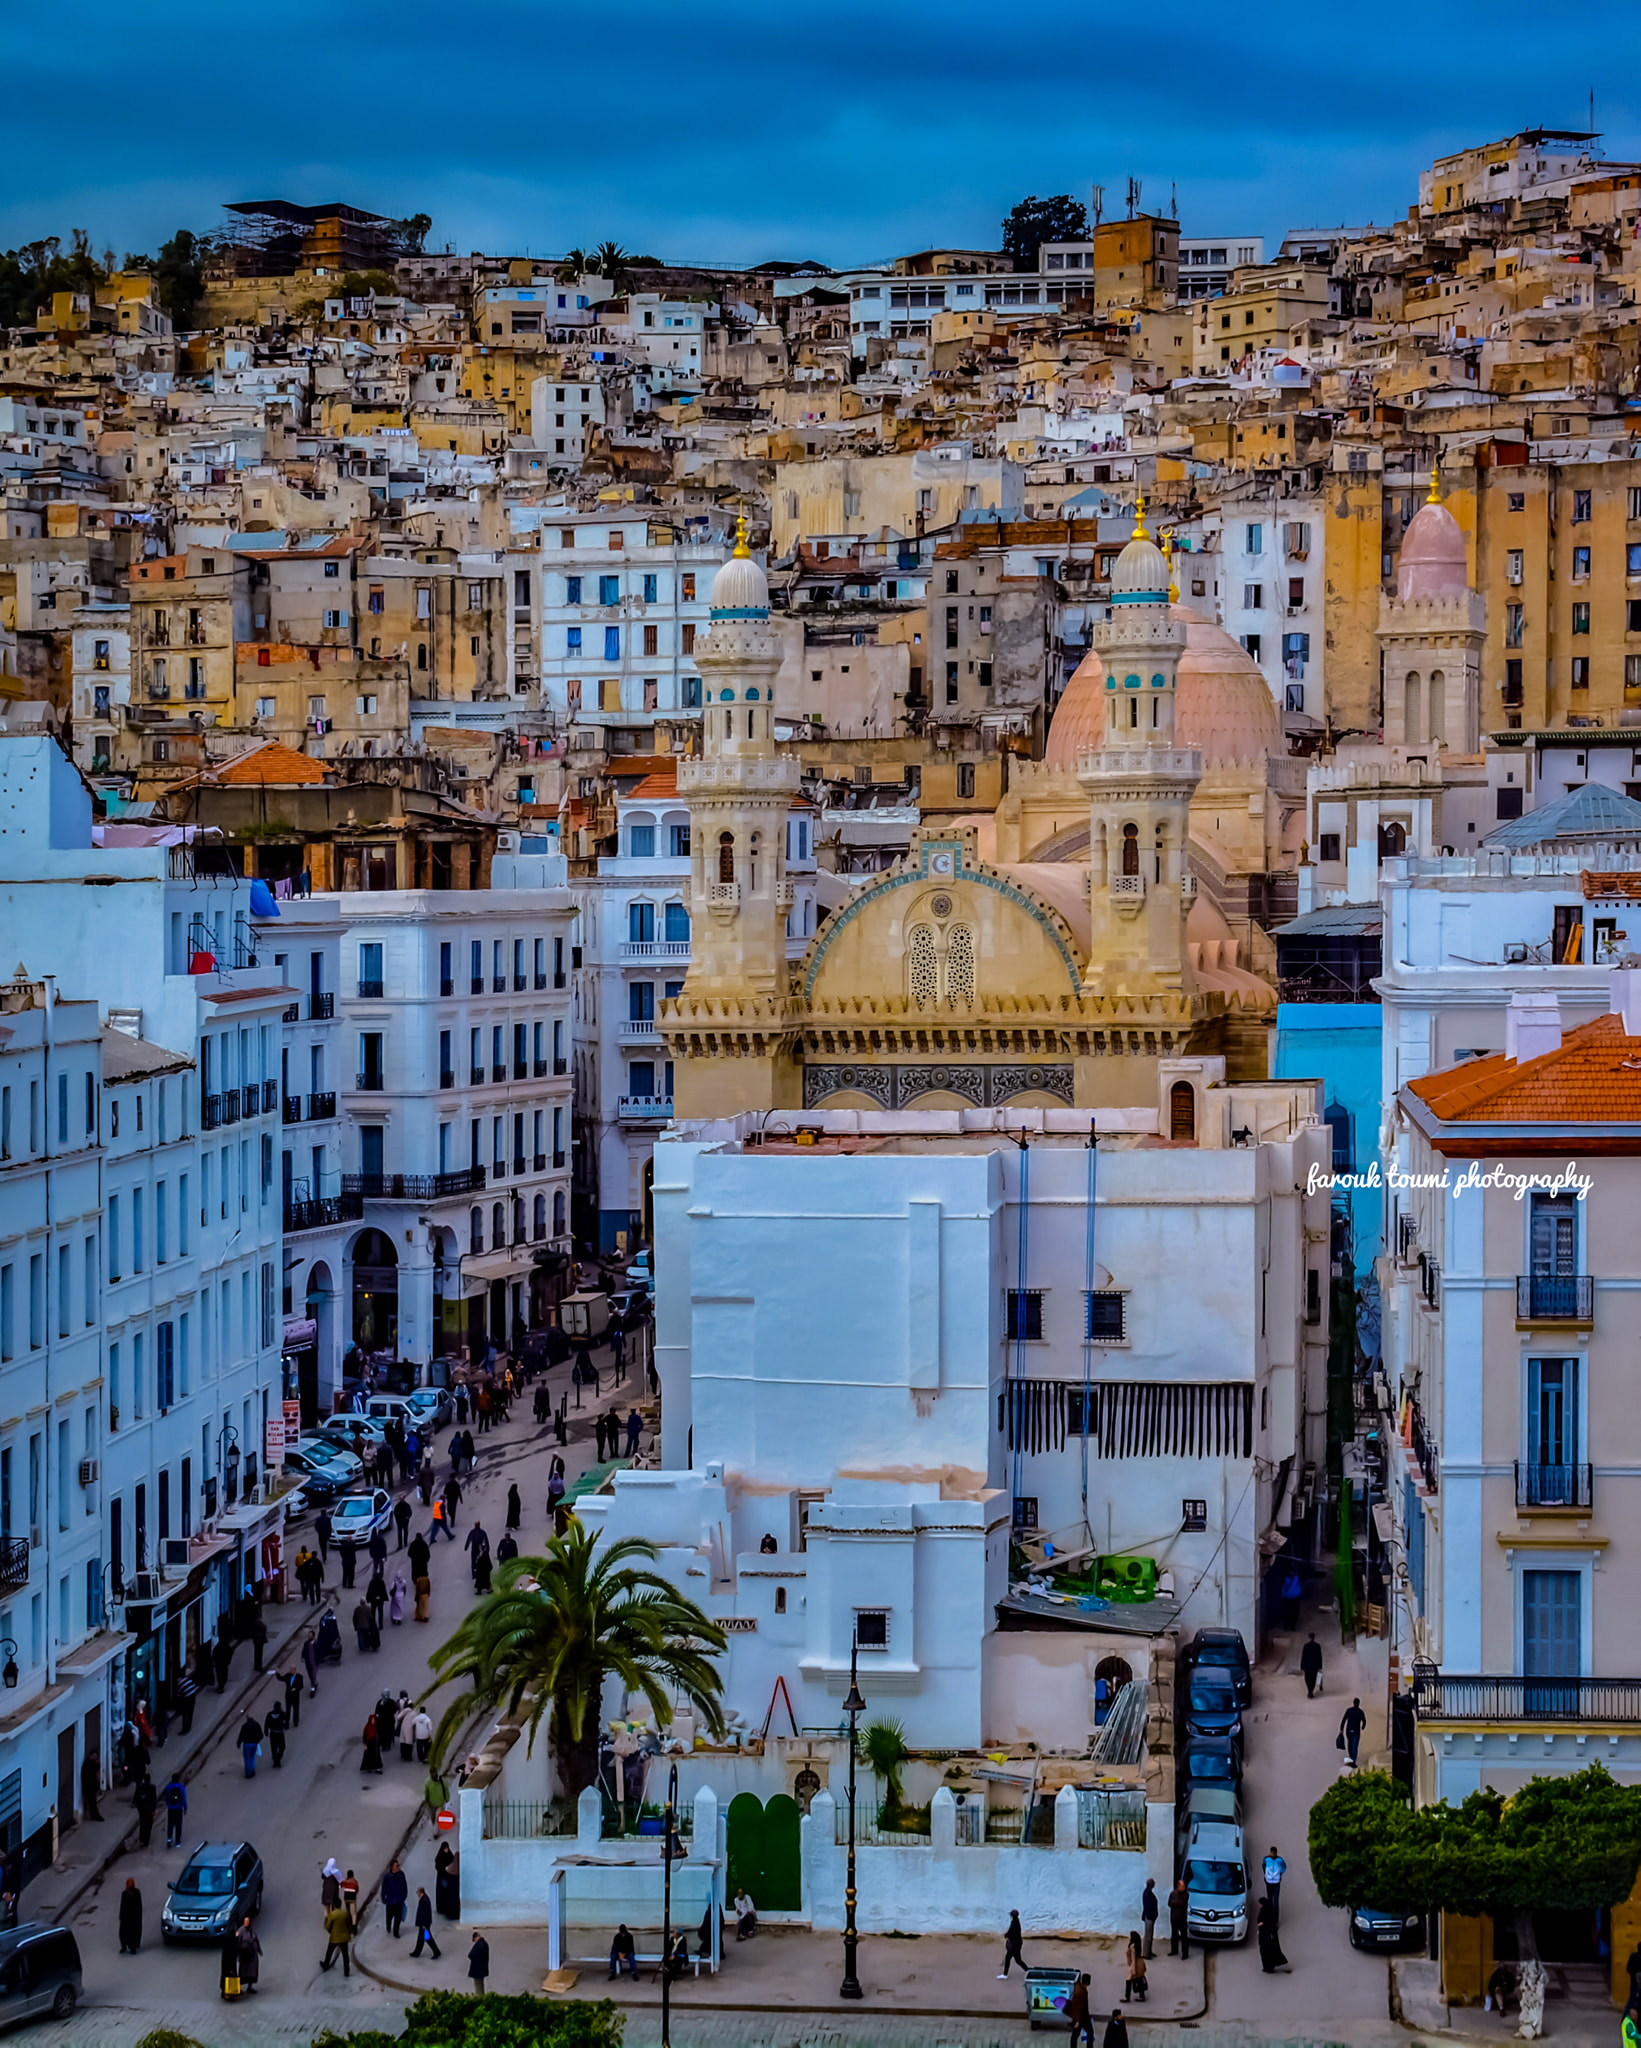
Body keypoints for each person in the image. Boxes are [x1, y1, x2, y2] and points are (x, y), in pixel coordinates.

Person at [321, 1899, 353, 1975]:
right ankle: (346, 1971)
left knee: (329, 1952)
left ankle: (325, 1965)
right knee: (345, 1955)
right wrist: (349, 1932)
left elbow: (327, 1926)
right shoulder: (345, 1913)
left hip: (334, 1938)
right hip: (344, 1938)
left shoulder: (332, 1914)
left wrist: (326, 1924)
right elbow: (349, 1925)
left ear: (334, 1905)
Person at [1257, 1895, 1289, 1972]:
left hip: (1266, 1936)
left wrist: (1261, 1925)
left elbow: (1264, 1923)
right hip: (1267, 1936)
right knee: (1269, 1951)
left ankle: (1268, 1967)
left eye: (1260, 1904)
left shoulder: (1265, 1913)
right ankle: (1269, 1966)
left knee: (1266, 1952)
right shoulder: (1268, 1912)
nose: (1259, 1905)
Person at [382, 1858, 409, 1938]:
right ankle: (388, 1927)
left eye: (398, 1865)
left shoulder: (401, 1874)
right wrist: (384, 1899)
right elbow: (384, 1888)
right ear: (392, 1867)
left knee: (398, 1918)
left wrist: (403, 1897)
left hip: (399, 1901)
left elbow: (404, 1886)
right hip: (390, 1901)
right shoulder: (387, 1877)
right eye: (396, 1866)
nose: (398, 1867)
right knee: (389, 1917)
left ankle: (396, 1933)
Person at [412, 1886, 442, 1958]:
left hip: (424, 1924)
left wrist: (424, 1924)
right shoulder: (424, 1899)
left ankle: (436, 1951)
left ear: (421, 1893)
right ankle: (417, 1952)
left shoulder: (424, 1900)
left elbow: (425, 1913)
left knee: (427, 1938)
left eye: (417, 1892)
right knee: (421, 1938)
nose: (417, 1893)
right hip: (424, 1923)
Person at [1066, 1972, 1093, 2048]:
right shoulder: (1081, 1992)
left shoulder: (1079, 1989)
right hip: (1082, 2018)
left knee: (1076, 2035)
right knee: (1088, 2033)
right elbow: (1079, 2007)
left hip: (1081, 2017)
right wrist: (1078, 2021)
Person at [1340, 1696, 1368, 1767]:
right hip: (1356, 1731)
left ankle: (1350, 1757)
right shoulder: (1360, 1712)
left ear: (1353, 1703)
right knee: (1355, 1746)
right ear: (1359, 1704)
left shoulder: (1349, 1710)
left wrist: (1341, 1728)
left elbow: (1344, 1719)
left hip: (1348, 1730)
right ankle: (1353, 1761)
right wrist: (1363, 1727)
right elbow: (1364, 1721)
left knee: (1350, 1744)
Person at [998, 1906, 1025, 1978]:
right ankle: (1027, 1970)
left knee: (1015, 1959)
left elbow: (1010, 1934)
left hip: (1014, 1945)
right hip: (1017, 1943)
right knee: (1016, 1959)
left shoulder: (1014, 1925)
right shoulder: (1016, 1921)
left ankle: (1005, 1975)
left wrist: (1005, 1935)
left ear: (1012, 1916)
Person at [237, 1916, 262, 1995]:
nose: (246, 1923)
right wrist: (238, 1955)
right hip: (244, 1954)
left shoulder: (252, 1930)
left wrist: (259, 1950)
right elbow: (238, 1943)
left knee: (252, 1971)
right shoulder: (241, 1931)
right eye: (245, 1921)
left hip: (253, 1954)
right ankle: (239, 1988)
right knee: (243, 1971)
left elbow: (256, 1940)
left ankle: (250, 1987)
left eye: (247, 1921)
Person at [1263, 1845, 1287, 1927]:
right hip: (1269, 1882)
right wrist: (1266, 1875)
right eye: (1272, 1853)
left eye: (1274, 1853)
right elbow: (1263, 1866)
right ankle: (1270, 1918)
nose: (1273, 1854)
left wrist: (1280, 1874)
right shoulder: (1266, 1859)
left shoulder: (1279, 1860)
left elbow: (1284, 1867)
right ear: (1270, 1853)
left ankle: (1275, 1921)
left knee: (1275, 1901)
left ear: (1276, 1853)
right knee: (1269, 1901)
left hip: (1276, 1882)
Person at [133, 1771, 158, 1849]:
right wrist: (153, 1809)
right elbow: (154, 1799)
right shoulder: (152, 1787)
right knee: (149, 1826)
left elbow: (135, 1799)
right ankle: (146, 1842)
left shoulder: (139, 1787)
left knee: (143, 1825)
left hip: (142, 1810)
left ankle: (142, 1841)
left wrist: (139, 1809)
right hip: (149, 1810)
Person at [162, 1772, 187, 1848]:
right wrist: (185, 1808)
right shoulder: (181, 1787)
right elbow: (183, 1798)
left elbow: (166, 1798)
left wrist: (168, 1804)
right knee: (178, 1825)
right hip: (178, 1809)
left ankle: (169, 1840)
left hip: (171, 1809)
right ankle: (177, 1841)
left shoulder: (168, 1787)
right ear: (178, 1779)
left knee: (170, 1824)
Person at [118, 1878, 142, 1955]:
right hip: (135, 1917)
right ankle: (133, 1948)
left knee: (123, 1933)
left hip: (126, 1918)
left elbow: (122, 1906)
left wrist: (121, 1916)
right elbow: (139, 1905)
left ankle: (124, 1946)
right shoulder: (137, 1892)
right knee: (133, 1933)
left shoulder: (124, 1893)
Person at [1168, 1877, 1189, 1958]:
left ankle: (1185, 1953)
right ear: (1178, 1886)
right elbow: (1170, 1903)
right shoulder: (1173, 1894)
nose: (1183, 1888)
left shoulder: (1186, 1894)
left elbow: (1183, 1903)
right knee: (1174, 1935)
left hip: (1182, 1918)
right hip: (1174, 1918)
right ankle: (1174, 1950)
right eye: (1182, 1886)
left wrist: (1175, 1902)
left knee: (1184, 1936)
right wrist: (1176, 1903)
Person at [220, 1921, 243, 2000]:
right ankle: (230, 1993)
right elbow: (235, 1949)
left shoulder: (226, 1939)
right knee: (231, 1976)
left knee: (224, 1976)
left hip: (225, 1962)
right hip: (231, 1962)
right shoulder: (232, 1941)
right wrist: (237, 1938)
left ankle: (224, 1992)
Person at [265, 1695, 288, 1769]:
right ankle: (278, 1759)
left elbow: (266, 1724)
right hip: (280, 1733)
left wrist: (266, 1732)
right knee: (282, 1747)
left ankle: (275, 1760)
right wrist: (285, 1725)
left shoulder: (269, 1714)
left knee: (274, 1747)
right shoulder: (281, 1713)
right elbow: (286, 1718)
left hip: (272, 1733)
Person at [237, 1712, 263, 1779]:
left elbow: (241, 1736)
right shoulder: (257, 1724)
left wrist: (239, 1743)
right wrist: (257, 1741)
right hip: (254, 1744)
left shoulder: (244, 1726)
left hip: (247, 1744)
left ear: (247, 1719)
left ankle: (248, 1772)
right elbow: (261, 1735)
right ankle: (252, 1769)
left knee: (247, 1758)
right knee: (252, 1757)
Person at [1124, 1930, 1147, 2002]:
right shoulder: (1137, 1945)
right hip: (1140, 1963)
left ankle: (1127, 1997)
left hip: (1135, 1964)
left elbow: (1133, 1958)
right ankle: (1142, 1996)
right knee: (1139, 1978)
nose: (1128, 1936)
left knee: (1128, 1979)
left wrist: (1133, 1968)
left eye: (1129, 1935)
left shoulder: (1132, 1946)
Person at [79, 1751, 101, 1823]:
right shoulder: (88, 1764)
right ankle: (94, 1815)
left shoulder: (92, 1764)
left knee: (92, 1802)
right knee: (92, 1802)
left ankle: (93, 1815)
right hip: (89, 1787)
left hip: (92, 1786)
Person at [1300, 1632, 1324, 1698]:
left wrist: (1302, 1666)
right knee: (1313, 1679)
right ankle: (1311, 1690)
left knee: (1307, 1678)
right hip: (1315, 1666)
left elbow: (1303, 1656)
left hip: (1307, 1666)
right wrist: (1320, 1666)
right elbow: (1320, 1656)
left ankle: (1309, 1690)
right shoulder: (1317, 1646)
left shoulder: (1306, 1646)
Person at [1280, 1565, 1303, 1630]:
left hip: (1290, 1598)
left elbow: (1283, 1588)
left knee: (1289, 1613)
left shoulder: (1287, 1579)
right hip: (1292, 1598)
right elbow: (1298, 1588)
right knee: (1290, 1613)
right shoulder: (1295, 1579)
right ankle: (1290, 1626)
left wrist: (1284, 1596)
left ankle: (1289, 1626)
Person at [367, 1567, 389, 1634]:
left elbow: (369, 1591)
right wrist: (383, 1597)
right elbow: (383, 1590)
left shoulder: (372, 1582)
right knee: (380, 1612)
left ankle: (373, 1624)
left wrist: (369, 1598)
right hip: (380, 1600)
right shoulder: (381, 1582)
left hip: (373, 1600)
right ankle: (380, 1624)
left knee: (373, 1612)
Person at [468, 1929, 490, 1995]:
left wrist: (474, 1947)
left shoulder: (478, 1945)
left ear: (475, 1938)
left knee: (478, 1988)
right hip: (482, 1969)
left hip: (477, 1970)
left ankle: (480, 2000)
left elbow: (470, 1955)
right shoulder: (485, 1944)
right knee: (481, 1986)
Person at [1140, 1877, 1158, 1958]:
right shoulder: (1148, 1894)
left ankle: (1149, 1951)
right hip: (1149, 1917)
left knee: (1150, 1935)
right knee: (1148, 1936)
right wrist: (1151, 1916)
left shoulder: (1147, 1892)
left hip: (1150, 1917)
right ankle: (1145, 1953)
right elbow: (1148, 1907)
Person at [284, 1665, 305, 1730]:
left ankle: (295, 1722)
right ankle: (287, 1723)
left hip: (295, 1696)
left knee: (296, 1709)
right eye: (290, 1670)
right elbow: (281, 1678)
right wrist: (277, 1673)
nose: (291, 1671)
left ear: (295, 1670)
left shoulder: (299, 1677)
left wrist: (296, 1689)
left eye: (292, 1670)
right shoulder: (287, 1675)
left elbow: (301, 1686)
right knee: (288, 1710)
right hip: (288, 1696)